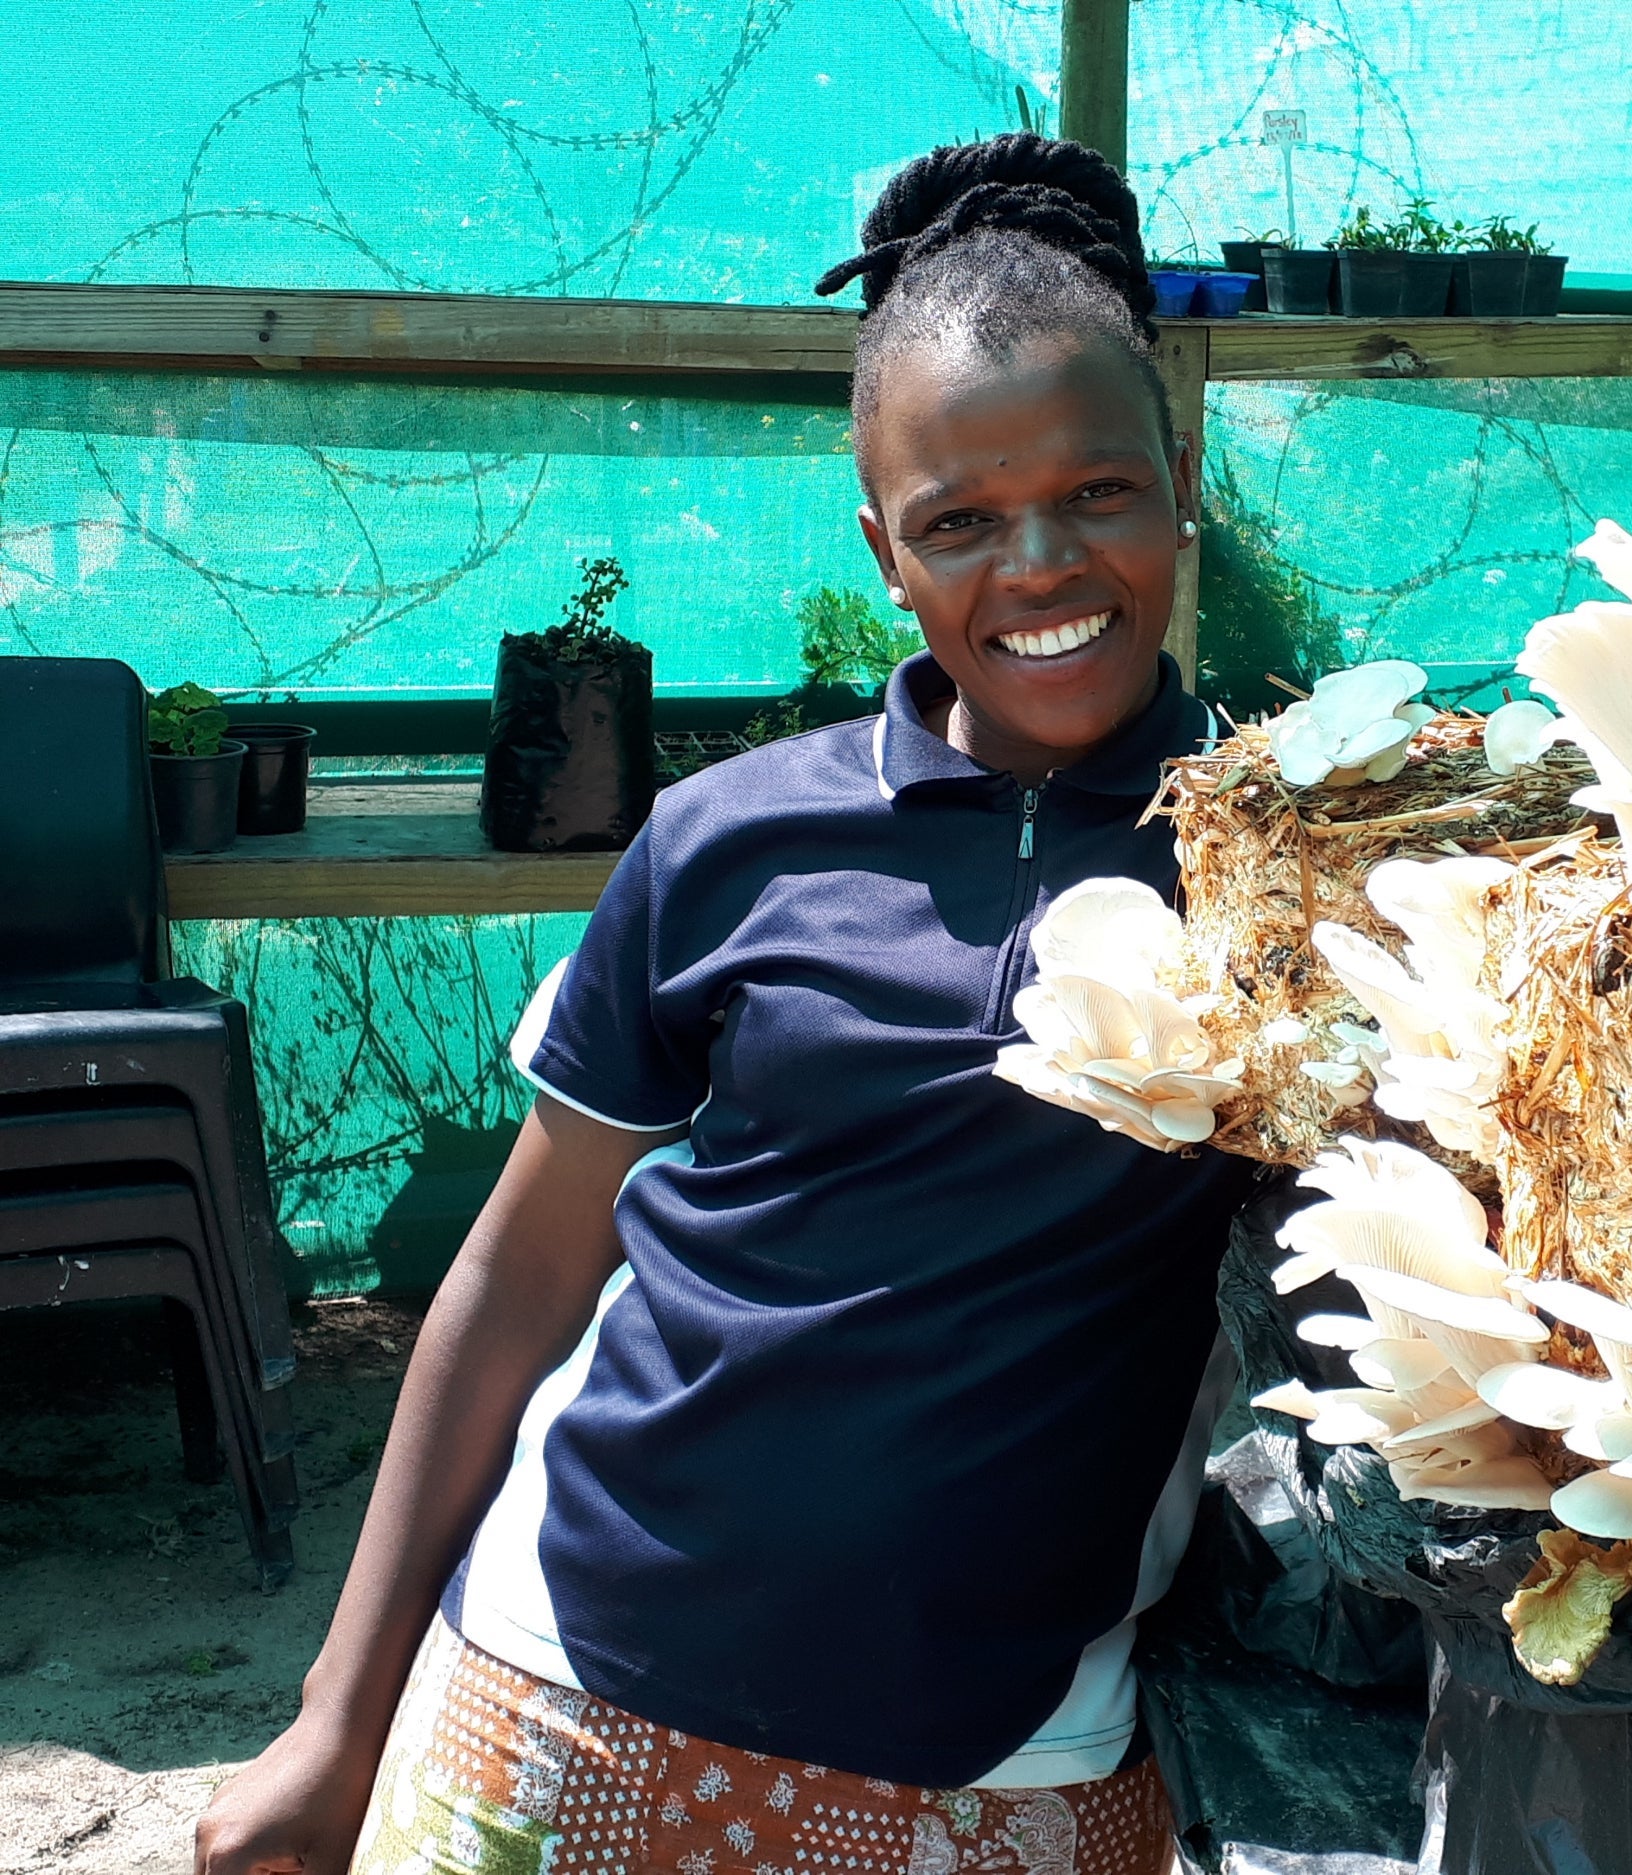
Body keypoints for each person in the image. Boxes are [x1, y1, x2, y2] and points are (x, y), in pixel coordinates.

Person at [197, 132, 1254, 1875]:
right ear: (885, 552)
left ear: (1181, 474)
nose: (1042, 566)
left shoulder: (1294, 866)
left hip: (1006, 1761)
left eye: (1099, 492)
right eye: (961, 523)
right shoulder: (733, 837)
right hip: (560, 1689)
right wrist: (336, 1718)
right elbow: (524, 1273)